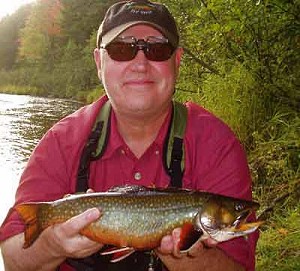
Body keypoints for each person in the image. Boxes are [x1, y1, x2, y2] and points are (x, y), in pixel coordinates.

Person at [0, 0, 259, 270]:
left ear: (177, 61)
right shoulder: (60, 142)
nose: (140, 63)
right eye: (121, 49)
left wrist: (188, 258)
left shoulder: (217, 144)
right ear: (99, 62)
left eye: (157, 49)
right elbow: (12, 259)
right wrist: (53, 244)